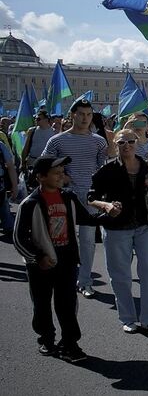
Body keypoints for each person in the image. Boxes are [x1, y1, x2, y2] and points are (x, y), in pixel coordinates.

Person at [89, 129, 148, 335]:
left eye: (130, 141)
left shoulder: (147, 166)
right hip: (116, 228)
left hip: (145, 225)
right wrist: (105, 206)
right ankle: (128, 318)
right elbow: (91, 197)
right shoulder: (107, 170)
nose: (127, 146)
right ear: (115, 145)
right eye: (121, 143)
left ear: (137, 142)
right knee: (120, 274)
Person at [13, 155, 90, 362]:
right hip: (41, 264)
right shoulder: (30, 203)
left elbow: (86, 218)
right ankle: (46, 339)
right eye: (56, 173)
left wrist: (108, 212)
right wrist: (37, 257)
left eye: (62, 172)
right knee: (42, 303)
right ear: (40, 177)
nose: (61, 176)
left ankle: (70, 343)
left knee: (67, 303)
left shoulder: (68, 197)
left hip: (66, 259)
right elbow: (19, 238)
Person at [42, 98, 108, 299]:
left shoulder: (99, 141)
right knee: (61, 240)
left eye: (88, 115)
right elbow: (45, 165)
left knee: (88, 241)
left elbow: (102, 168)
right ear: (73, 115)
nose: (85, 118)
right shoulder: (57, 140)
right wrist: (62, 177)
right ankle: (60, 276)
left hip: (90, 198)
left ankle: (85, 281)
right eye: (81, 114)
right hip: (64, 198)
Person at [21, 110, 57, 182]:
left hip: (46, 164)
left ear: (46, 119)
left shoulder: (54, 132)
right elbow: (26, 147)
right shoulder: (32, 130)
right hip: (32, 162)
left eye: (38, 119)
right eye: (35, 118)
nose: (36, 120)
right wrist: (22, 163)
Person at [0, 138, 18, 233]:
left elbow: (10, 166)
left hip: (1, 188)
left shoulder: (1, 145)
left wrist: (15, 186)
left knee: (7, 222)